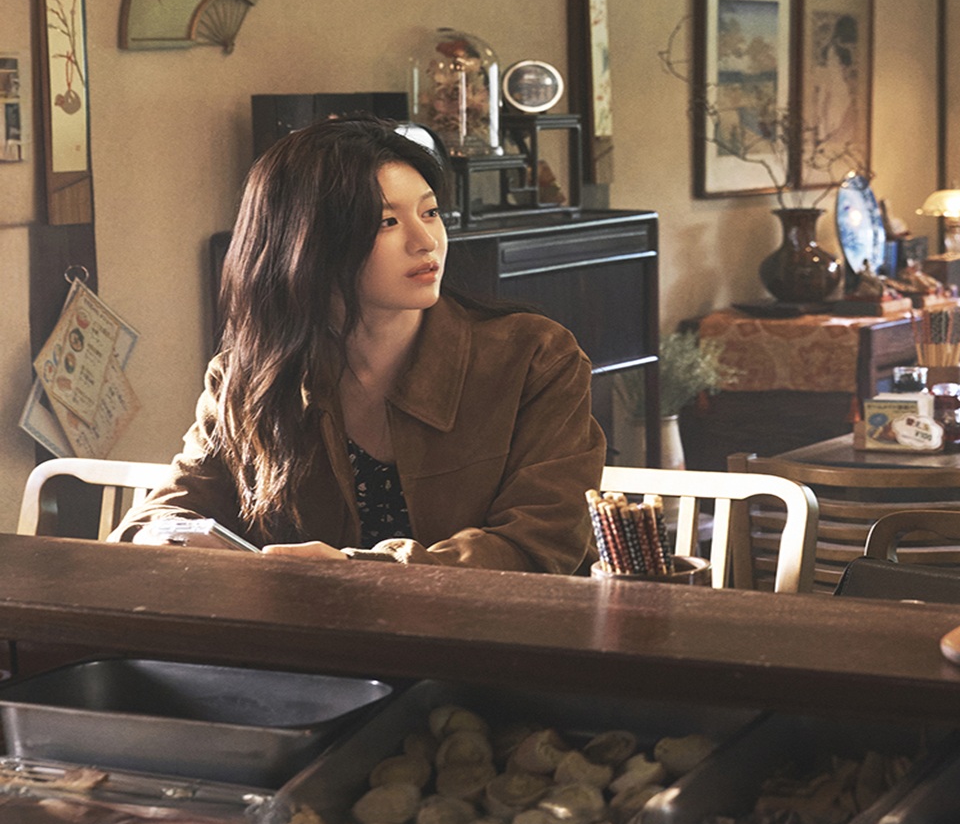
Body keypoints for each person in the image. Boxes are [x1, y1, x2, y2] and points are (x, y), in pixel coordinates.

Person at [113, 119, 605, 572]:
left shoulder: (534, 356)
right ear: (306, 242)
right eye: (386, 222)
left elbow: (542, 542)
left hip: (492, 633)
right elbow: (167, 512)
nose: (425, 241)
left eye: (430, 212)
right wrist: (167, 536)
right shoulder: (249, 377)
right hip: (309, 635)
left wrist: (360, 571)